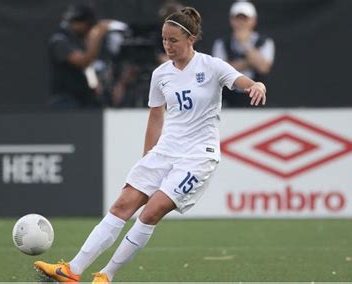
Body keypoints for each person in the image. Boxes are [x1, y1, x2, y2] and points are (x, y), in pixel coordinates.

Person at [34, 6, 266, 283]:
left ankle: (106, 275)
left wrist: (256, 85)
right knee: (122, 206)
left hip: (197, 157)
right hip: (165, 150)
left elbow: (240, 80)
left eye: (174, 40)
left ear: (191, 39)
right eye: (164, 40)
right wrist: (148, 156)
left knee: (151, 211)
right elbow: (156, 116)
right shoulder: (161, 74)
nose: (167, 46)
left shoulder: (211, 66)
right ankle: (71, 270)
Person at [212, 1, 274, 107]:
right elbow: (219, 71)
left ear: (253, 21)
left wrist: (245, 43)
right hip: (229, 99)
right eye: (237, 19)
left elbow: (264, 67)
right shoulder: (221, 44)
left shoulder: (265, 42)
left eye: (245, 19)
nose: (241, 23)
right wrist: (251, 62)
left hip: (256, 98)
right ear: (231, 21)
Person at [48, 4, 110, 108]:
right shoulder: (59, 40)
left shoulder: (80, 41)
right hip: (65, 101)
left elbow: (88, 69)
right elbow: (83, 61)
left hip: (84, 100)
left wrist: (95, 85)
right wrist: (97, 36)